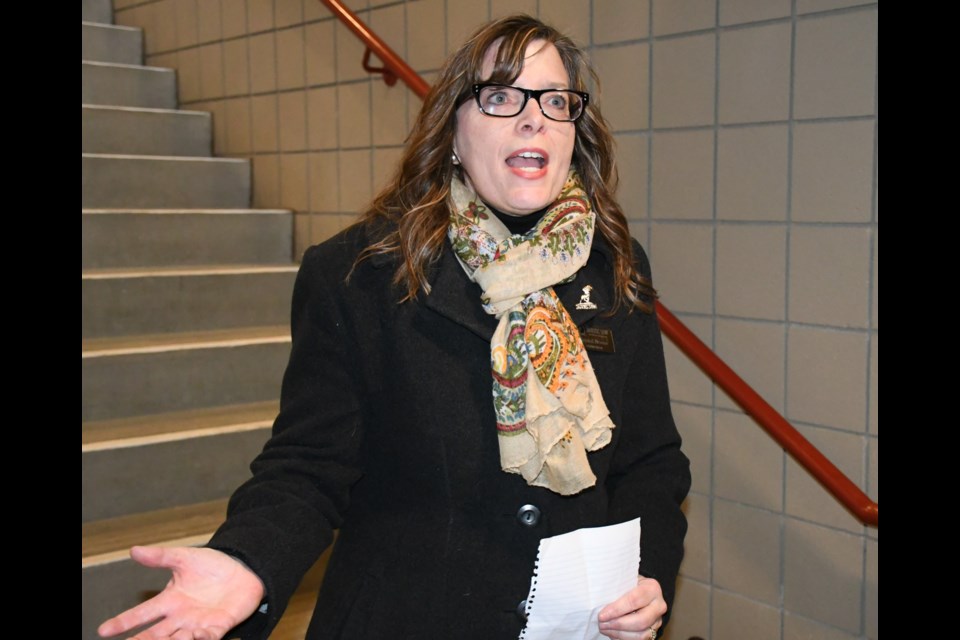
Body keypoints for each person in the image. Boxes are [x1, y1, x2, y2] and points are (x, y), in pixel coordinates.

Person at [98, 14, 690, 640]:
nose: (532, 117)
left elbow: (651, 462)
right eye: (500, 96)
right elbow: (308, 466)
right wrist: (247, 560)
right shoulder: (358, 274)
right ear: (453, 130)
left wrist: (647, 579)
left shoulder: (615, 267)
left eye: (555, 101)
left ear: (575, 132)